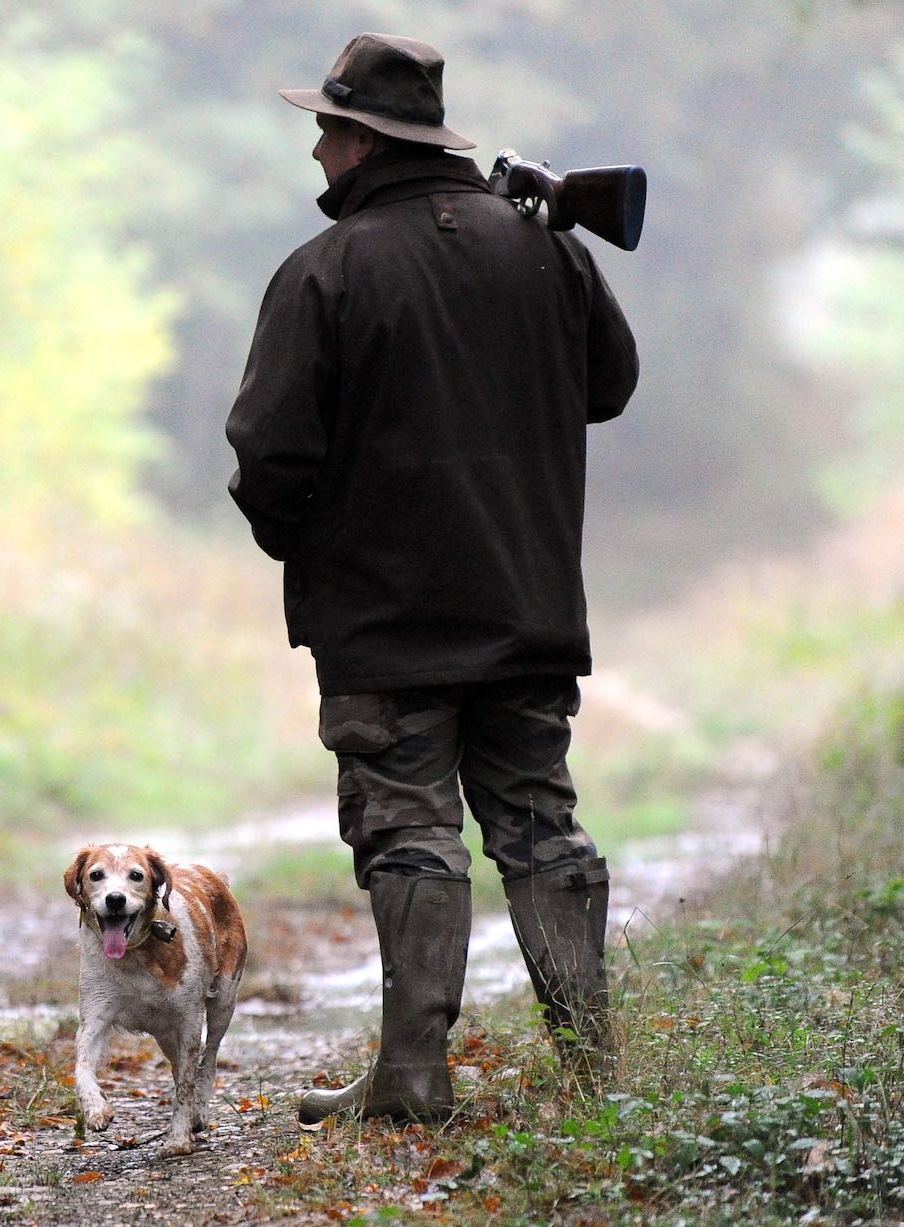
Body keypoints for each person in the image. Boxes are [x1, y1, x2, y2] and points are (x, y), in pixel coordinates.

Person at [224, 33, 639, 1124]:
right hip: (526, 607)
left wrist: (308, 548)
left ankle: (412, 1077)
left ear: (362, 140)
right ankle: (591, 1073)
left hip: (383, 627)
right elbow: (609, 385)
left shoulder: (325, 270)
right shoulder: (549, 249)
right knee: (542, 825)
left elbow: (267, 455)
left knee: (405, 833)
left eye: (323, 129)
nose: (314, 151)